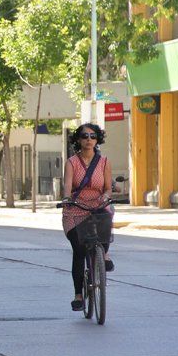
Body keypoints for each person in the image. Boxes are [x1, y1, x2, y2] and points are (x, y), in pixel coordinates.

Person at [61, 123, 115, 312]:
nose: (89, 139)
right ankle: (78, 296)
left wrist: (106, 196)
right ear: (78, 139)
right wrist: (67, 199)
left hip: (97, 205)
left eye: (93, 136)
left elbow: (108, 188)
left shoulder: (104, 162)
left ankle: (104, 255)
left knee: (108, 214)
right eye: (85, 136)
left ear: (98, 139)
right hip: (76, 208)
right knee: (79, 250)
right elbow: (68, 186)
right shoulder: (71, 162)